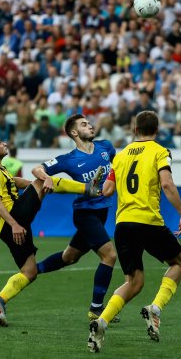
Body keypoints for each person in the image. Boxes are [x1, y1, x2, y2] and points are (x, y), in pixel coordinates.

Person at [87, 111, 181, 353]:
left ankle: (102, 321)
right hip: (148, 221)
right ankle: (156, 308)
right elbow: (167, 183)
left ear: (135, 130)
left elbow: (107, 190)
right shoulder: (160, 152)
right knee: (179, 263)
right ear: (157, 130)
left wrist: (95, 183)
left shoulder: (121, 156)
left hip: (123, 225)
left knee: (133, 282)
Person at [0, 133, 102, 327]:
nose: (5, 143)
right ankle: (89, 188)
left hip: (8, 228)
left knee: (30, 272)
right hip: (14, 220)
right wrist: (15, 224)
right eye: (0, 143)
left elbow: (14, 183)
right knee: (44, 179)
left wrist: (33, 186)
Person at [31, 114, 119, 321]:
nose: (90, 126)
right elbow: (37, 169)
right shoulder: (68, 159)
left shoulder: (106, 147)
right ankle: (96, 308)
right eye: (84, 124)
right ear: (74, 132)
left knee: (69, 257)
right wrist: (47, 178)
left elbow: (118, 167)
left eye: (89, 123)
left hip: (102, 213)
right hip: (85, 214)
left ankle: (31, 270)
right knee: (110, 256)